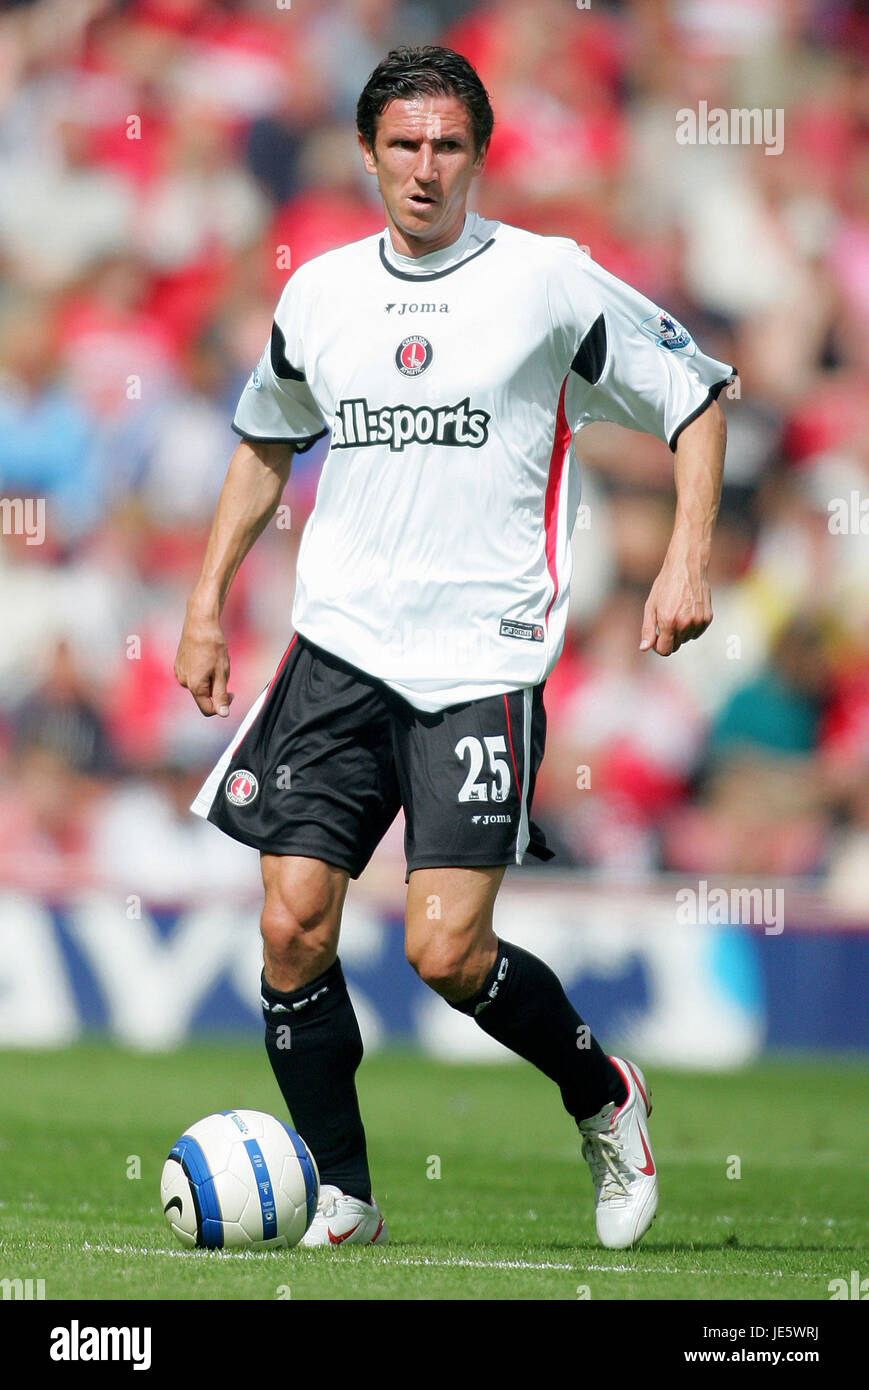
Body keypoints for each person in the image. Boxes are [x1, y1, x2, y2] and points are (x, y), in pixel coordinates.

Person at [174, 45, 733, 1251]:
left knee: (442, 946)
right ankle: (343, 1190)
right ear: (367, 151)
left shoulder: (546, 281)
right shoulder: (317, 292)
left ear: (477, 156)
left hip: (478, 660)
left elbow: (693, 394)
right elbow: (266, 441)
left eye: (448, 146)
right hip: (333, 650)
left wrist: (687, 558)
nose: (425, 169)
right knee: (288, 926)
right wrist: (207, 600)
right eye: (403, 145)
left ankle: (605, 1095)